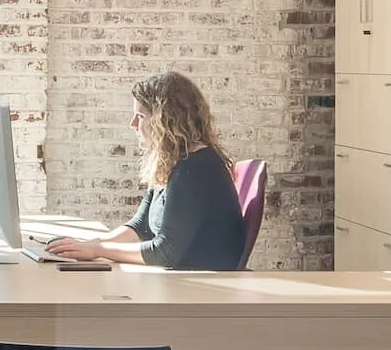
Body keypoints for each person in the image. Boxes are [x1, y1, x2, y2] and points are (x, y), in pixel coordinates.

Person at [43, 71, 247, 271]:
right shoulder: (174, 161)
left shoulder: (195, 169)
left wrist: (98, 250)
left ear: (166, 122)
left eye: (140, 116)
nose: (132, 125)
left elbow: (165, 253)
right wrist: (87, 244)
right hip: (183, 277)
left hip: (203, 286)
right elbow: (141, 227)